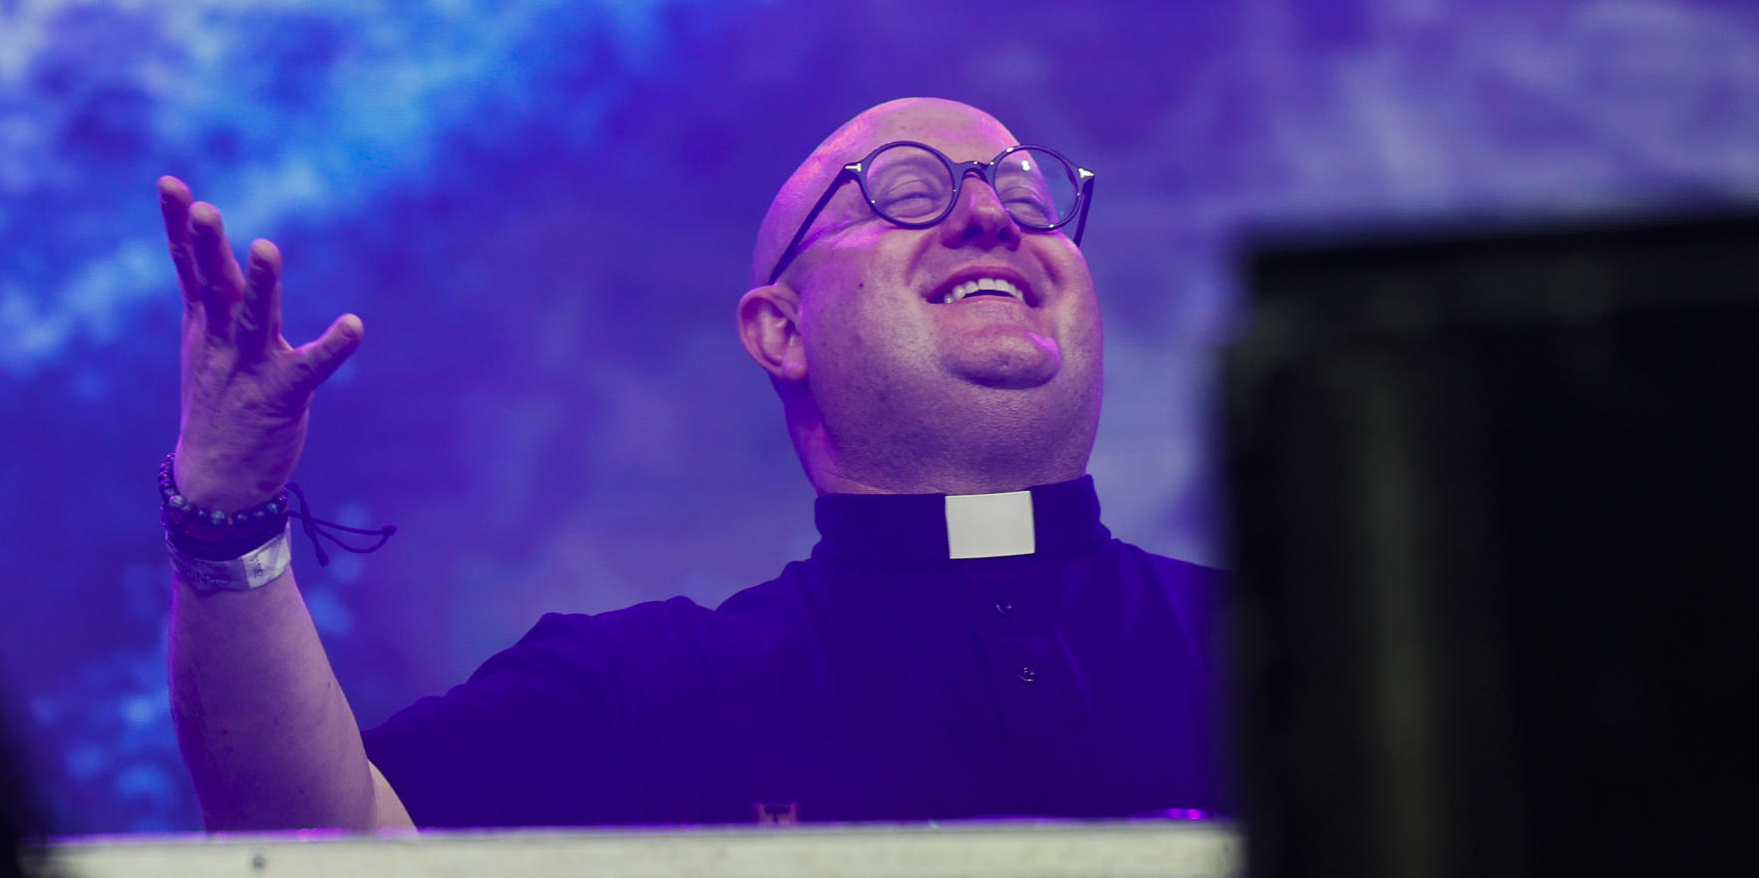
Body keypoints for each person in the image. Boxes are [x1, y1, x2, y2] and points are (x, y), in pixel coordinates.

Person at [161, 97, 1222, 831]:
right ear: (779, 331)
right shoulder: (643, 697)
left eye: (1026, 192)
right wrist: (228, 516)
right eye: (905, 188)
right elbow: (320, 847)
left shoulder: (1302, 645)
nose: (990, 211)